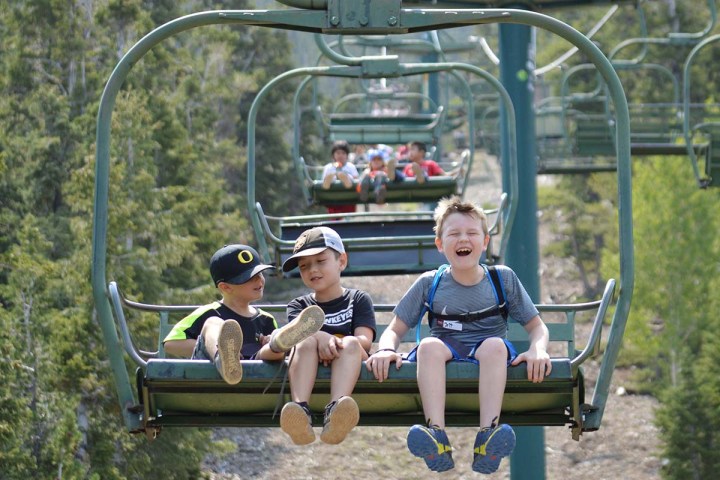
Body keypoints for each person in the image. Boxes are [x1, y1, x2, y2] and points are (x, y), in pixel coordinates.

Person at [366, 197, 552, 474]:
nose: (463, 239)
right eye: (453, 234)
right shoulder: (430, 283)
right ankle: (436, 435)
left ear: (485, 242)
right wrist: (385, 349)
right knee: (428, 345)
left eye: (471, 233)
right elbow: (394, 330)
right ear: (440, 244)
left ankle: (488, 434)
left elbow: (537, 327)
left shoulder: (501, 279)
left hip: (488, 354)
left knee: (494, 345)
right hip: (446, 351)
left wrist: (537, 349)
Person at [163, 244, 325, 384]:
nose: (259, 281)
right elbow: (171, 344)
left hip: (254, 370)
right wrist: (224, 348)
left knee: (273, 348)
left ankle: (279, 342)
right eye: (249, 278)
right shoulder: (209, 312)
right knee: (213, 323)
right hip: (213, 372)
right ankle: (223, 357)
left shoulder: (266, 319)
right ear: (226, 287)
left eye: (260, 274)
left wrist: (268, 342)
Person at [279, 227, 376, 446]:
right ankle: (300, 410)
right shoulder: (298, 306)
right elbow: (294, 336)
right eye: (304, 266)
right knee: (303, 340)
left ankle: (336, 410)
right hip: (308, 360)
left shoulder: (358, 300)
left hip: (350, 359)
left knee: (351, 342)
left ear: (341, 261)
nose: (312, 269)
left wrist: (332, 344)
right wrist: (319, 338)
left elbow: (364, 342)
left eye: (320, 261)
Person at [321, 140, 359, 216]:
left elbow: (356, 180)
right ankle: (332, 177)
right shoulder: (328, 167)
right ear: (333, 155)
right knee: (328, 180)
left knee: (350, 180)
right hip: (332, 196)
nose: (340, 155)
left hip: (348, 196)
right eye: (338, 153)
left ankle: (344, 178)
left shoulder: (350, 167)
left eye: (343, 153)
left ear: (347, 155)